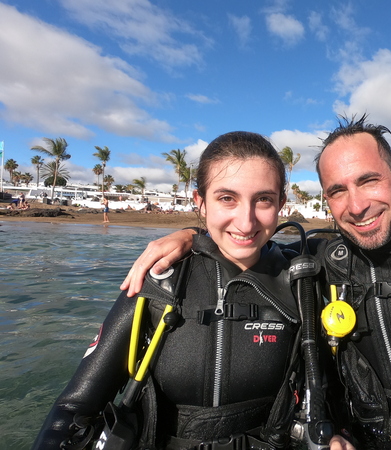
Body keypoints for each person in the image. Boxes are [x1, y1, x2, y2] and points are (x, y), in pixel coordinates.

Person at [121, 116, 391, 449]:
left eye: (368, 180)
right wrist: (192, 237)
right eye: (336, 190)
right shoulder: (321, 261)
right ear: (326, 199)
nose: (356, 205)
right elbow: (247, 245)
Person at [33, 131, 353, 450]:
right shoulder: (161, 279)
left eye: (264, 199)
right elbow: (72, 412)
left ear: (281, 204)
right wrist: (192, 235)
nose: (245, 221)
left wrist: (339, 437)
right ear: (200, 200)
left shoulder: (301, 282)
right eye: (227, 198)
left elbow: (330, 398)